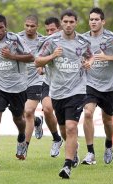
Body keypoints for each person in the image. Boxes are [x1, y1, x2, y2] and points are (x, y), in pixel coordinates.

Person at [35, 10, 94, 179]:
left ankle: (67, 166)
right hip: (57, 91)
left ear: (76, 23)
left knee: (71, 127)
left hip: (77, 90)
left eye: (71, 22)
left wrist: (88, 63)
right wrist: (53, 55)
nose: (68, 25)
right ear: (61, 23)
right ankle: (73, 150)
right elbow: (37, 61)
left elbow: (91, 57)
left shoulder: (83, 41)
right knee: (63, 130)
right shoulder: (51, 41)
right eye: (65, 22)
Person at [0, 14, 33, 170]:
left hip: (18, 87)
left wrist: (12, 56)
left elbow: (31, 57)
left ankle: (22, 136)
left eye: (1, 27)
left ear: (6, 27)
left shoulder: (15, 39)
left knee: (18, 119)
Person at [81, 7, 113, 165]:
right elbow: (79, 58)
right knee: (88, 113)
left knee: (107, 119)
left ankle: (109, 145)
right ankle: (90, 153)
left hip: (109, 85)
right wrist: (85, 63)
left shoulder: (112, 38)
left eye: (96, 19)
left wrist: (106, 57)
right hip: (90, 83)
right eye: (91, 19)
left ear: (103, 21)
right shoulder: (82, 39)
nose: (93, 22)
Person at [17, 15, 44, 157]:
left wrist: (43, 67)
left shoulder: (43, 41)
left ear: (37, 27)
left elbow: (49, 57)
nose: (29, 28)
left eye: (32, 26)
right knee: (20, 114)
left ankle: (24, 147)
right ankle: (38, 121)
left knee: (28, 111)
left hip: (36, 81)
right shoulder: (17, 38)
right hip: (19, 82)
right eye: (27, 25)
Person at [39, 16, 63, 158]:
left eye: (52, 30)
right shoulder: (46, 43)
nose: (49, 33)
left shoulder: (71, 42)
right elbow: (39, 59)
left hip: (68, 86)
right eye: (47, 30)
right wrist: (41, 66)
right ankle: (56, 139)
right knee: (47, 109)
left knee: (67, 124)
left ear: (59, 29)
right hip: (49, 83)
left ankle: (73, 149)